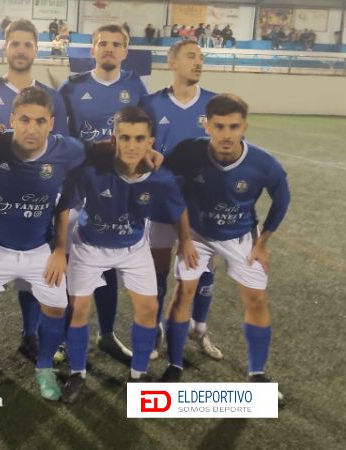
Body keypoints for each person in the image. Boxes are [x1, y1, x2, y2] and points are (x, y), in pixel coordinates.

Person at [0, 87, 162, 401]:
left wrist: (147, 154)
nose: (31, 128)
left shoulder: (67, 149)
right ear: (12, 119)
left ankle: (45, 367)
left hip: (38, 247)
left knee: (57, 306)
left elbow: (104, 149)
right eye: (24, 120)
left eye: (39, 121)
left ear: (51, 123)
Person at [159, 94, 289, 407]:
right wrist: (184, 237)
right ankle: (174, 364)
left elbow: (282, 198)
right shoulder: (189, 151)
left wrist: (262, 243)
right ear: (207, 125)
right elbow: (167, 185)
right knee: (183, 291)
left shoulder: (264, 162)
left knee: (256, 298)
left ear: (244, 127)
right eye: (219, 126)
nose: (226, 134)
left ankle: (257, 374)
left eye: (233, 126)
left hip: (241, 237)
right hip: (197, 234)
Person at [58, 106, 193, 402]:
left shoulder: (161, 179)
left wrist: (186, 240)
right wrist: (59, 249)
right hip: (89, 246)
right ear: (113, 139)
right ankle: (77, 373)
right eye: (125, 137)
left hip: (133, 248)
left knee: (148, 309)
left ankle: (138, 375)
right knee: (78, 310)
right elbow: (65, 205)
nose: (132, 145)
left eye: (139, 138)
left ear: (150, 142)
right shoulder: (91, 169)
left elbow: (179, 208)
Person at [0, 19, 69, 363]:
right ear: (5, 47)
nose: (21, 50)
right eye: (15, 44)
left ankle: (29, 335)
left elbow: (61, 145)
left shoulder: (52, 97)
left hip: (39, 201)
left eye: (27, 44)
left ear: (36, 50)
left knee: (31, 278)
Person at [58, 24, 149, 364]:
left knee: (108, 257)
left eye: (116, 44)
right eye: (103, 43)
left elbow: (145, 134)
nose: (109, 48)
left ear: (125, 51)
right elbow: (62, 139)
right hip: (78, 185)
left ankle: (106, 334)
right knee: (69, 263)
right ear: (92, 49)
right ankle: (65, 335)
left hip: (119, 187)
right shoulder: (72, 87)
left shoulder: (135, 86)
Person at [140, 40, 221, 361]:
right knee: (158, 268)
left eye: (201, 57)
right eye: (191, 56)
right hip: (161, 201)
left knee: (203, 267)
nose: (198, 62)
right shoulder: (151, 103)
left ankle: (199, 327)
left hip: (201, 203)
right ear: (172, 62)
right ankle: (156, 330)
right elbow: (139, 146)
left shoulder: (215, 103)